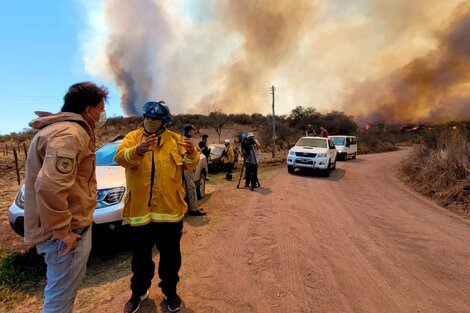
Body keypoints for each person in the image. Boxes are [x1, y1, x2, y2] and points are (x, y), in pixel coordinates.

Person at [23, 82, 108, 313]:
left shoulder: (56, 130)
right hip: (65, 233)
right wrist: (63, 231)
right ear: (89, 110)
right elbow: (50, 186)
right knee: (59, 299)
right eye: (100, 109)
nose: (102, 115)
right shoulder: (70, 134)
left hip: (58, 228)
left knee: (60, 293)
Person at [115, 101, 199, 313]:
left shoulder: (177, 140)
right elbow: (120, 158)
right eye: (147, 117)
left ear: (165, 122)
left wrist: (192, 152)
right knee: (140, 259)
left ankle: (170, 292)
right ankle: (138, 293)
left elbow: (190, 164)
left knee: (171, 258)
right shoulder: (132, 137)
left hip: (170, 213)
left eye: (155, 119)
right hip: (140, 213)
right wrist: (138, 150)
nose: (149, 121)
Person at [183, 124, 207, 216]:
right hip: (187, 168)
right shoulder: (184, 140)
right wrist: (195, 150)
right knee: (191, 187)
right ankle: (193, 209)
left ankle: (194, 206)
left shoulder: (186, 139)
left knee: (190, 187)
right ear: (189, 131)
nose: (193, 133)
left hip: (189, 167)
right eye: (192, 131)